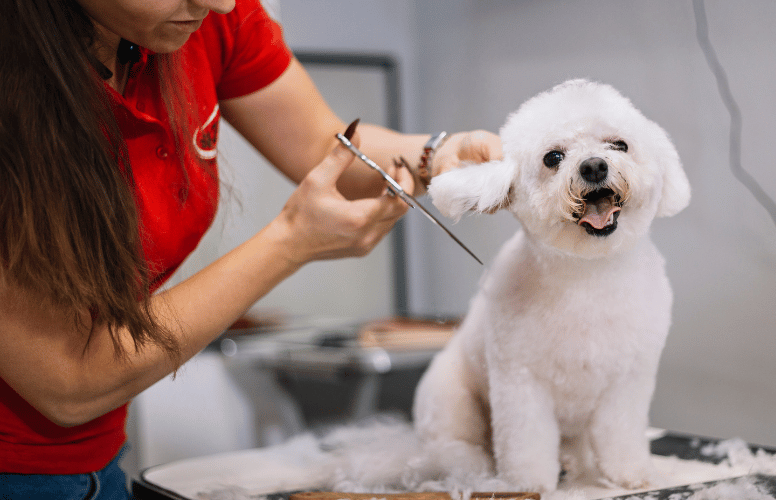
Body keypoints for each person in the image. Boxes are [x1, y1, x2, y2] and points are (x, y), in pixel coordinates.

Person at [0, 0, 501, 497]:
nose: (219, 2)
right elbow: (70, 381)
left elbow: (323, 149)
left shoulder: (211, 21)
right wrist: (289, 243)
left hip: (103, 457)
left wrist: (436, 156)